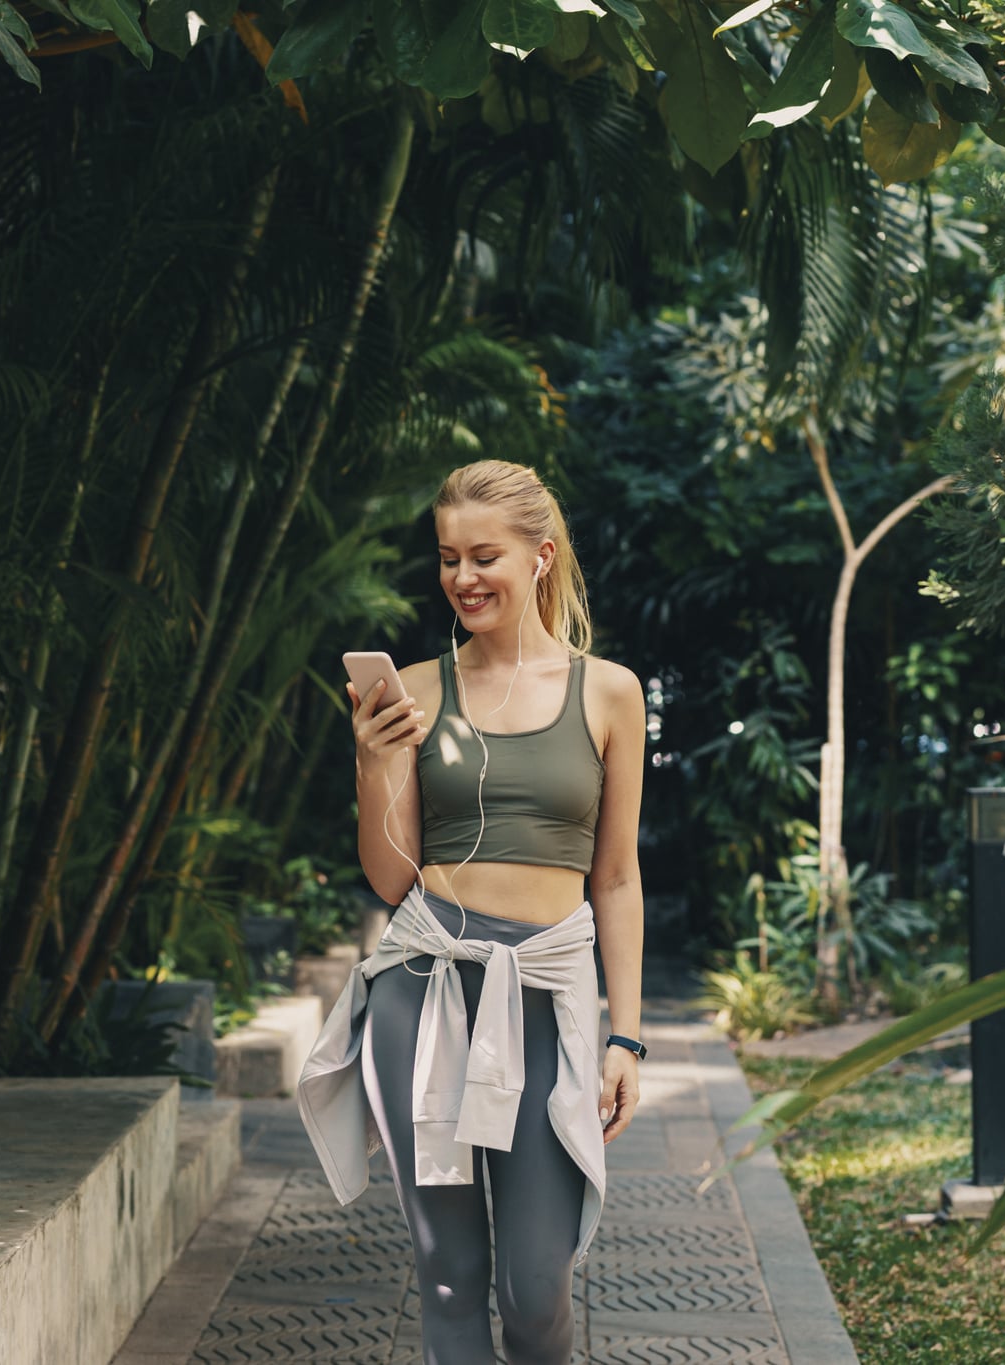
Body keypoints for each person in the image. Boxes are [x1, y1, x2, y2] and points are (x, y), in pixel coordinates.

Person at [295, 459, 647, 1365]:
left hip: (545, 993)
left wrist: (627, 1037)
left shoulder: (609, 692)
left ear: (541, 555)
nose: (463, 578)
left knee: (535, 1288)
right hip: (423, 987)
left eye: (483, 555)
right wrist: (373, 762)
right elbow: (389, 878)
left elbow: (614, 877)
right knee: (448, 1272)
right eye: (449, 558)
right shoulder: (412, 688)